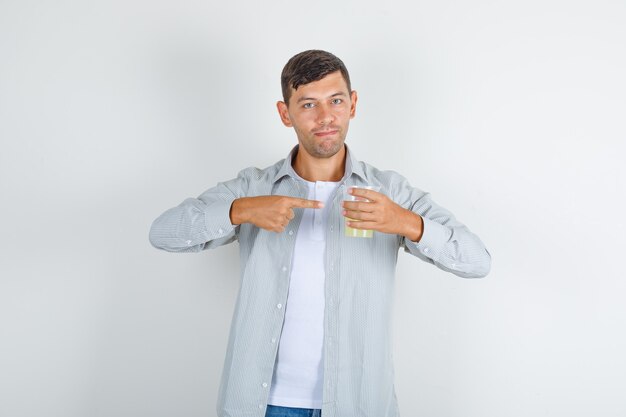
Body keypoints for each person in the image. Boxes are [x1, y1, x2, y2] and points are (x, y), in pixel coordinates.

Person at [149, 49, 491, 417]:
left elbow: (477, 261)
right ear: (286, 114)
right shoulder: (254, 186)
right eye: (308, 104)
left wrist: (406, 223)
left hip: (358, 404)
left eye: (336, 100)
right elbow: (163, 232)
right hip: (262, 405)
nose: (326, 117)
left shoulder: (390, 192)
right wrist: (241, 210)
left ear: (353, 104)